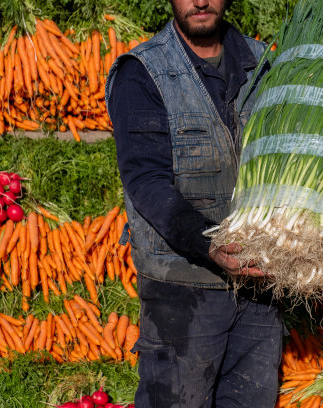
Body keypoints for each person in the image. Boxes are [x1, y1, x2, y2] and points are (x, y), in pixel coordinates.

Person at [105, 0, 285, 407]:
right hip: (182, 291)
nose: (200, 1)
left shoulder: (264, 63)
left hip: (259, 287)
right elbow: (147, 182)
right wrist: (210, 243)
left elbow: (288, 157)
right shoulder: (144, 71)